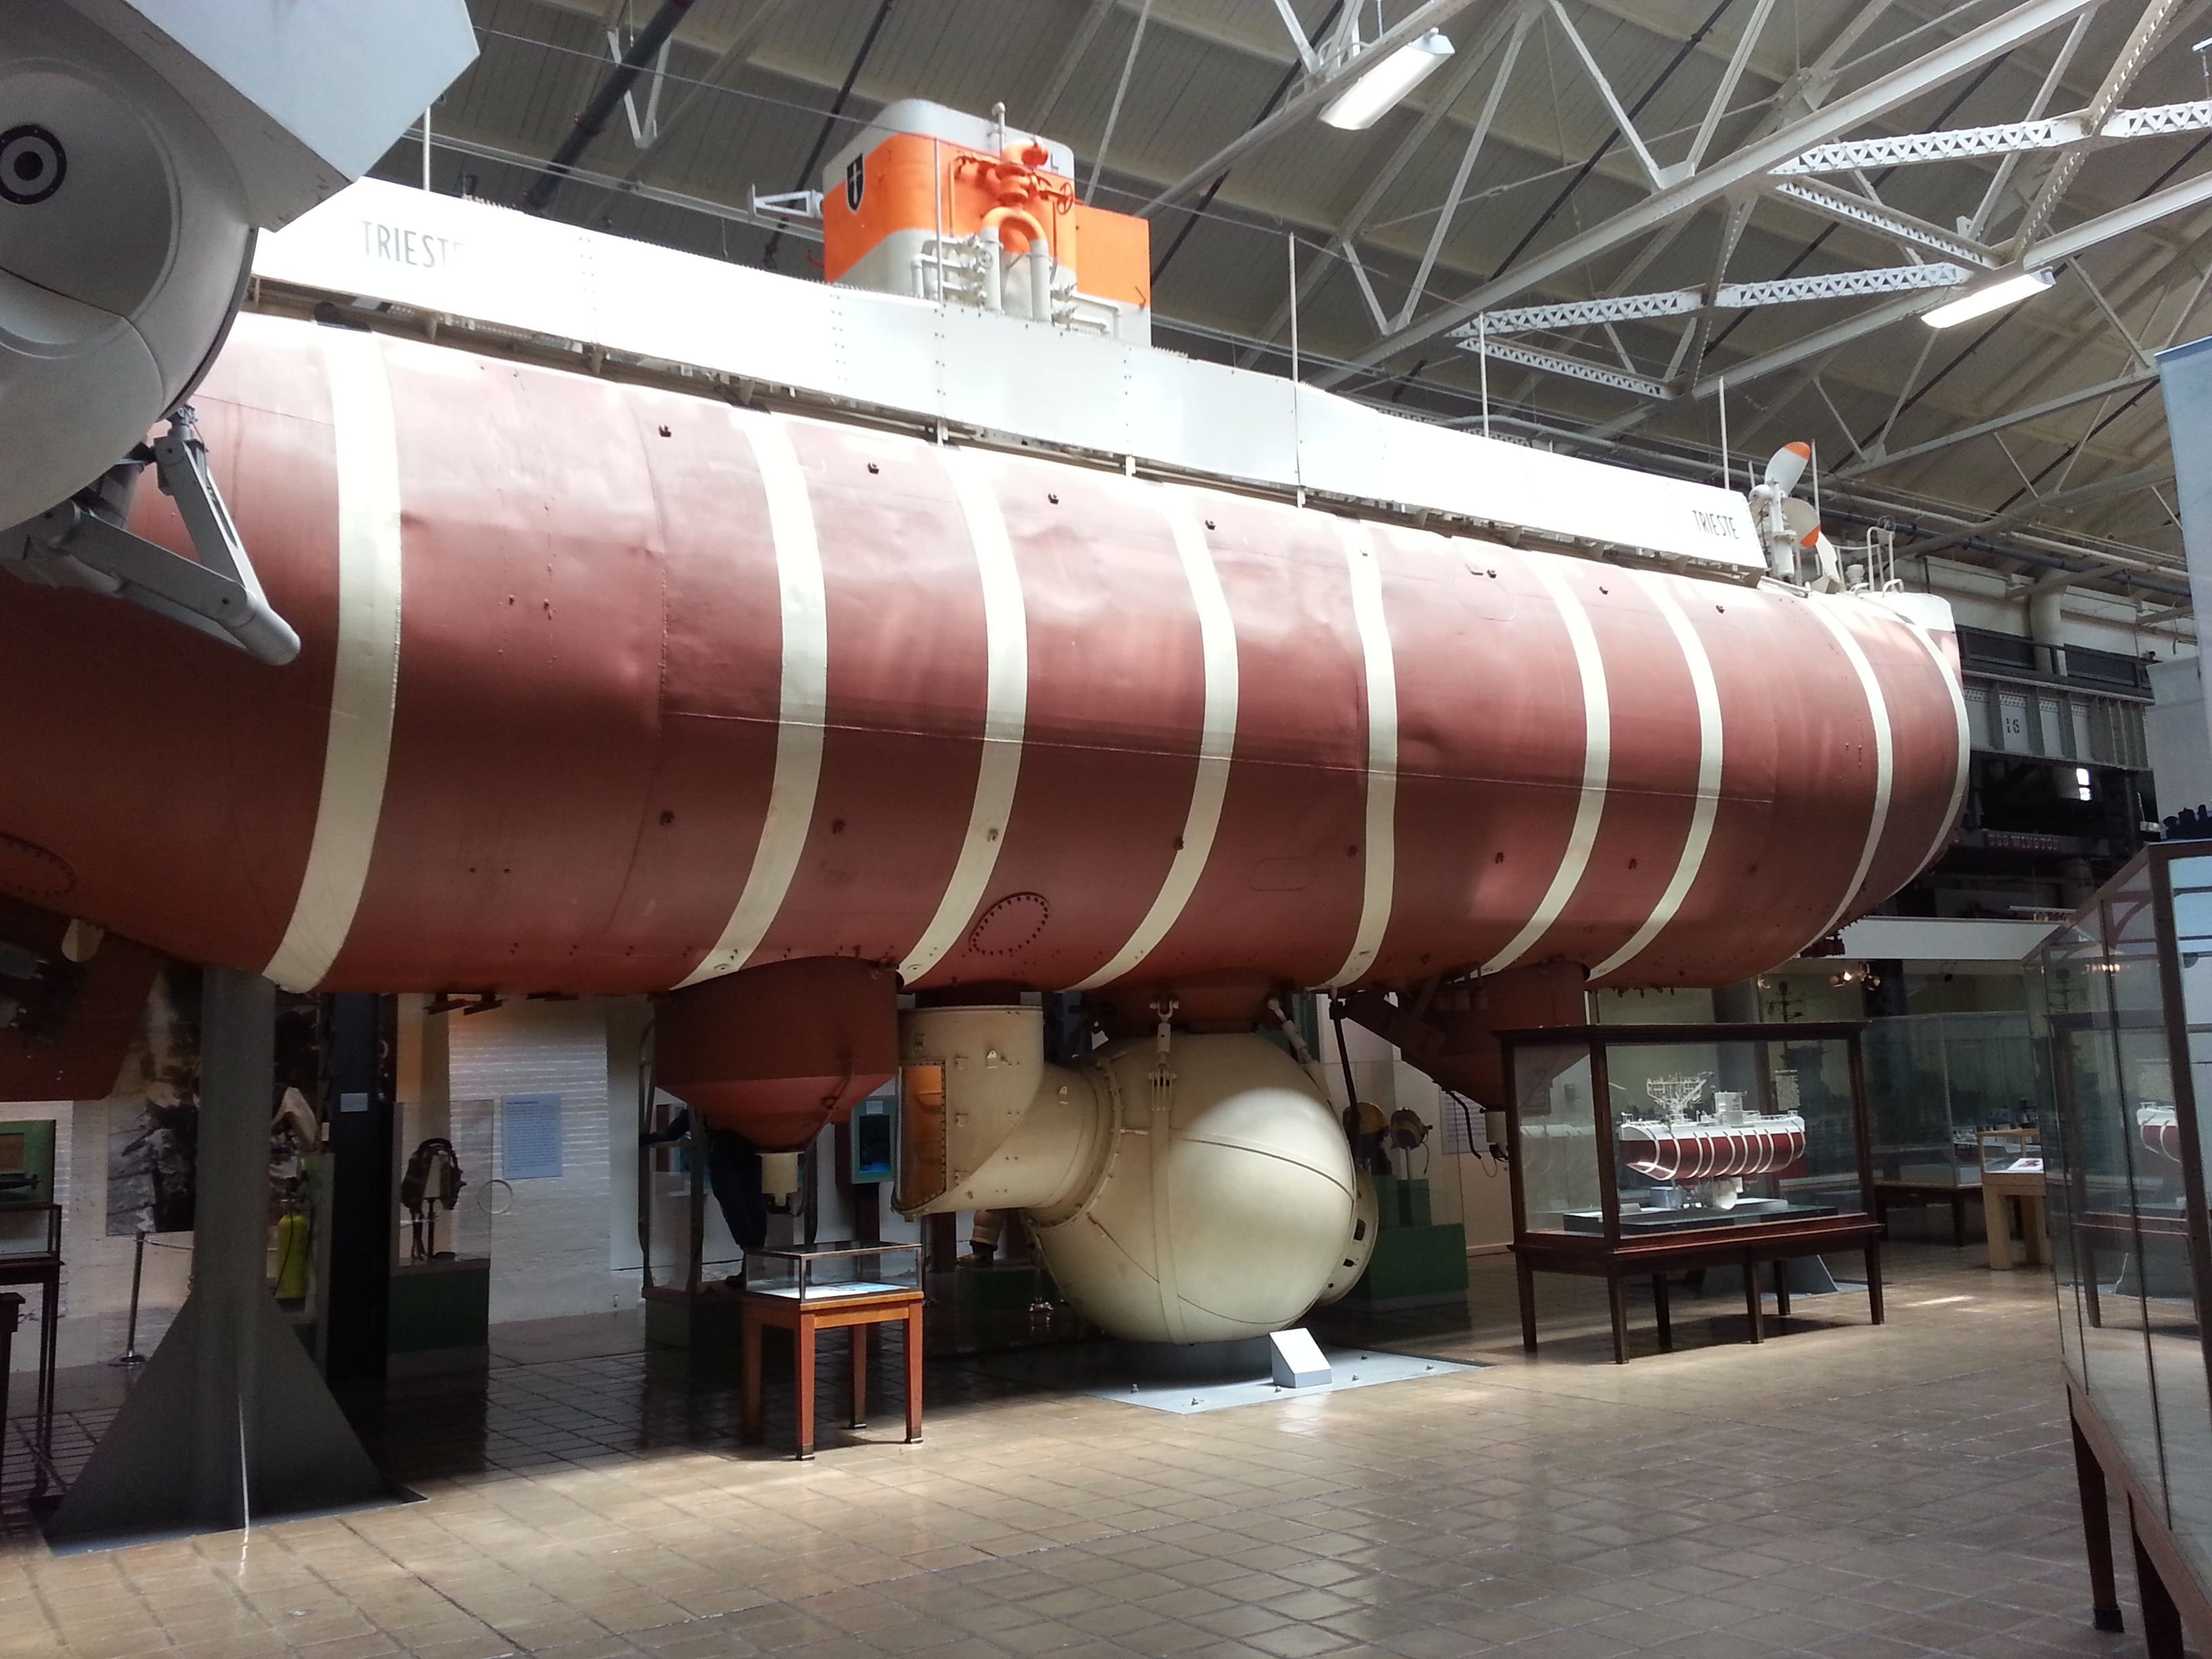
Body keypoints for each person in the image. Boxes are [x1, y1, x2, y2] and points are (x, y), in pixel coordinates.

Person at [642, 1109, 767, 1284]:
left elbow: (672, 1132)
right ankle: (751, 1268)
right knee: (740, 1212)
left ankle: (752, 1268)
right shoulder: (704, 1106)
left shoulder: (712, 1105)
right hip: (731, 1158)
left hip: (739, 1158)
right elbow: (673, 1132)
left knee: (750, 1212)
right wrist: (648, 1139)